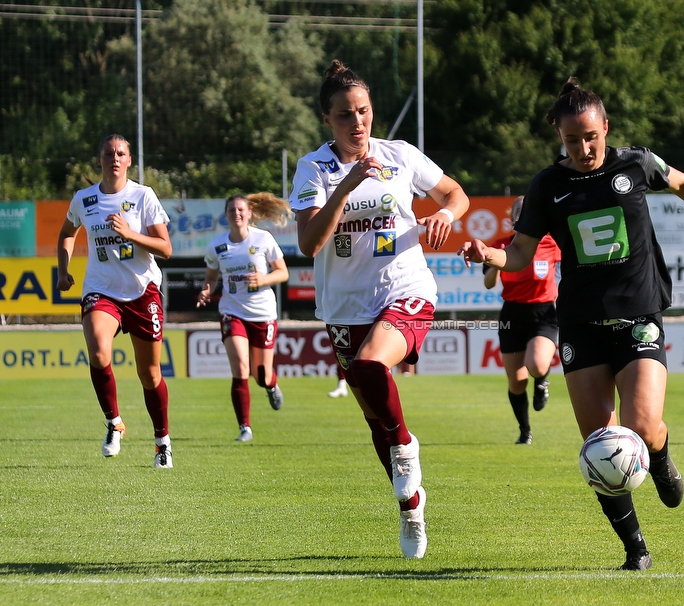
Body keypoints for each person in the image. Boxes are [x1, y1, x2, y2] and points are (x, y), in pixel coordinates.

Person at [460, 79, 684, 570]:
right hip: (581, 325)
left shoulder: (636, 163)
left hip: (639, 316)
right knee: (600, 445)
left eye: (591, 137)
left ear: (606, 128)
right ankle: (635, 549)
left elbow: (683, 184)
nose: (583, 148)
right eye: (572, 140)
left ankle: (659, 456)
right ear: (559, 135)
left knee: (640, 427)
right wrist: (486, 252)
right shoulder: (547, 186)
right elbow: (518, 255)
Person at [290, 60, 470, 559]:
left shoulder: (400, 155)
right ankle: (411, 506)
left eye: (364, 111)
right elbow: (308, 242)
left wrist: (445, 216)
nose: (357, 122)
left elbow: (455, 193)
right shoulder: (314, 169)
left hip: (406, 289)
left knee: (372, 366)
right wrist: (344, 187)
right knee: (375, 422)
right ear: (328, 120)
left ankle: (407, 448)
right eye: (345, 115)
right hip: (344, 307)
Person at [56, 134, 175, 469]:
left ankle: (162, 442)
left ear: (129, 160)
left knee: (150, 374)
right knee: (97, 350)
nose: (115, 158)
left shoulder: (143, 196)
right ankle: (114, 423)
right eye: (108, 153)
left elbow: (165, 248)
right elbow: (67, 232)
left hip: (142, 291)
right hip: (101, 290)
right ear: (100, 159)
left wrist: (130, 234)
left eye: (121, 153)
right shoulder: (84, 199)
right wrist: (63, 270)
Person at [197, 193, 291, 441]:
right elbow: (211, 277)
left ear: (249, 214)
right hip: (232, 311)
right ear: (226, 215)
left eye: (241, 210)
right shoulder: (217, 245)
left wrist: (264, 279)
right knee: (240, 366)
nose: (236, 214)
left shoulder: (263, 239)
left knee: (260, 374)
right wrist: (207, 290)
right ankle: (244, 428)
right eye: (231, 210)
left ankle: (271, 384)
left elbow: (282, 273)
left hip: (263, 312)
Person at [483, 196, 560, 445]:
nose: (522, 213)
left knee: (536, 364)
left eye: (528, 210)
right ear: (511, 217)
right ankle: (525, 431)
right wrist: (496, 261)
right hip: (512, 315)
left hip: (544, 313)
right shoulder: (500, 245)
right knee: (516, 382)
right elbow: (488, 284)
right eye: (518, 210)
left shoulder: (551, 243)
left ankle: (542, 381)